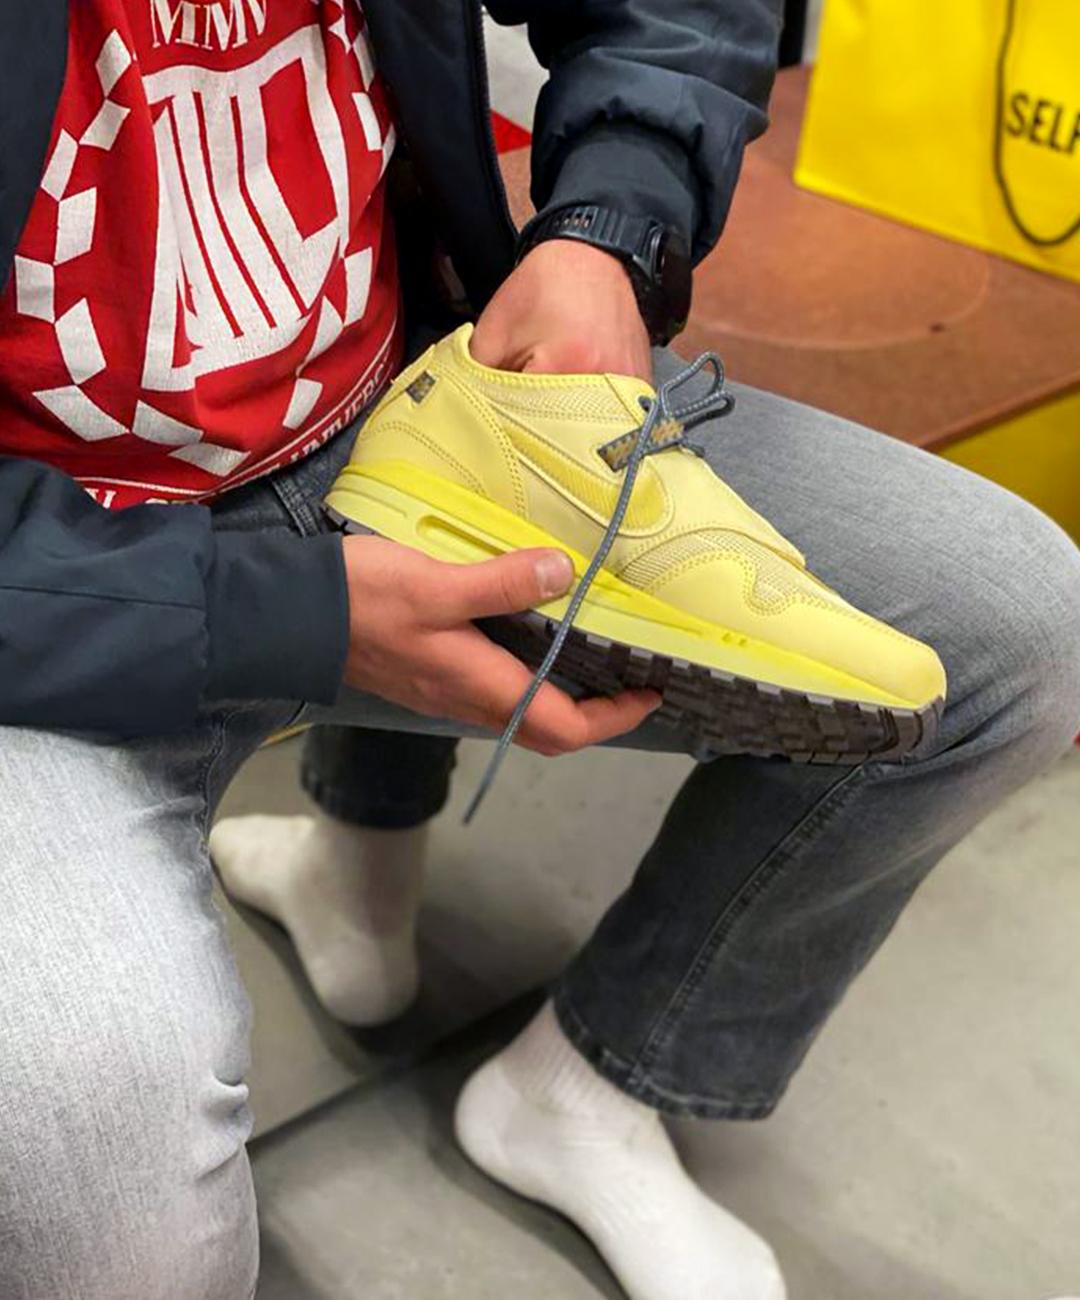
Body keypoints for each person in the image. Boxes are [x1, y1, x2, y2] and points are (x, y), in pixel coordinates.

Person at [1, 3, 1079, 1299]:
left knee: (1010, 637)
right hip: (48, 579)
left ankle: (576, 1081)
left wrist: (613, 221)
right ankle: (350, 862)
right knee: (111, 1203)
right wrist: (289, 616)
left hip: (396, 403)